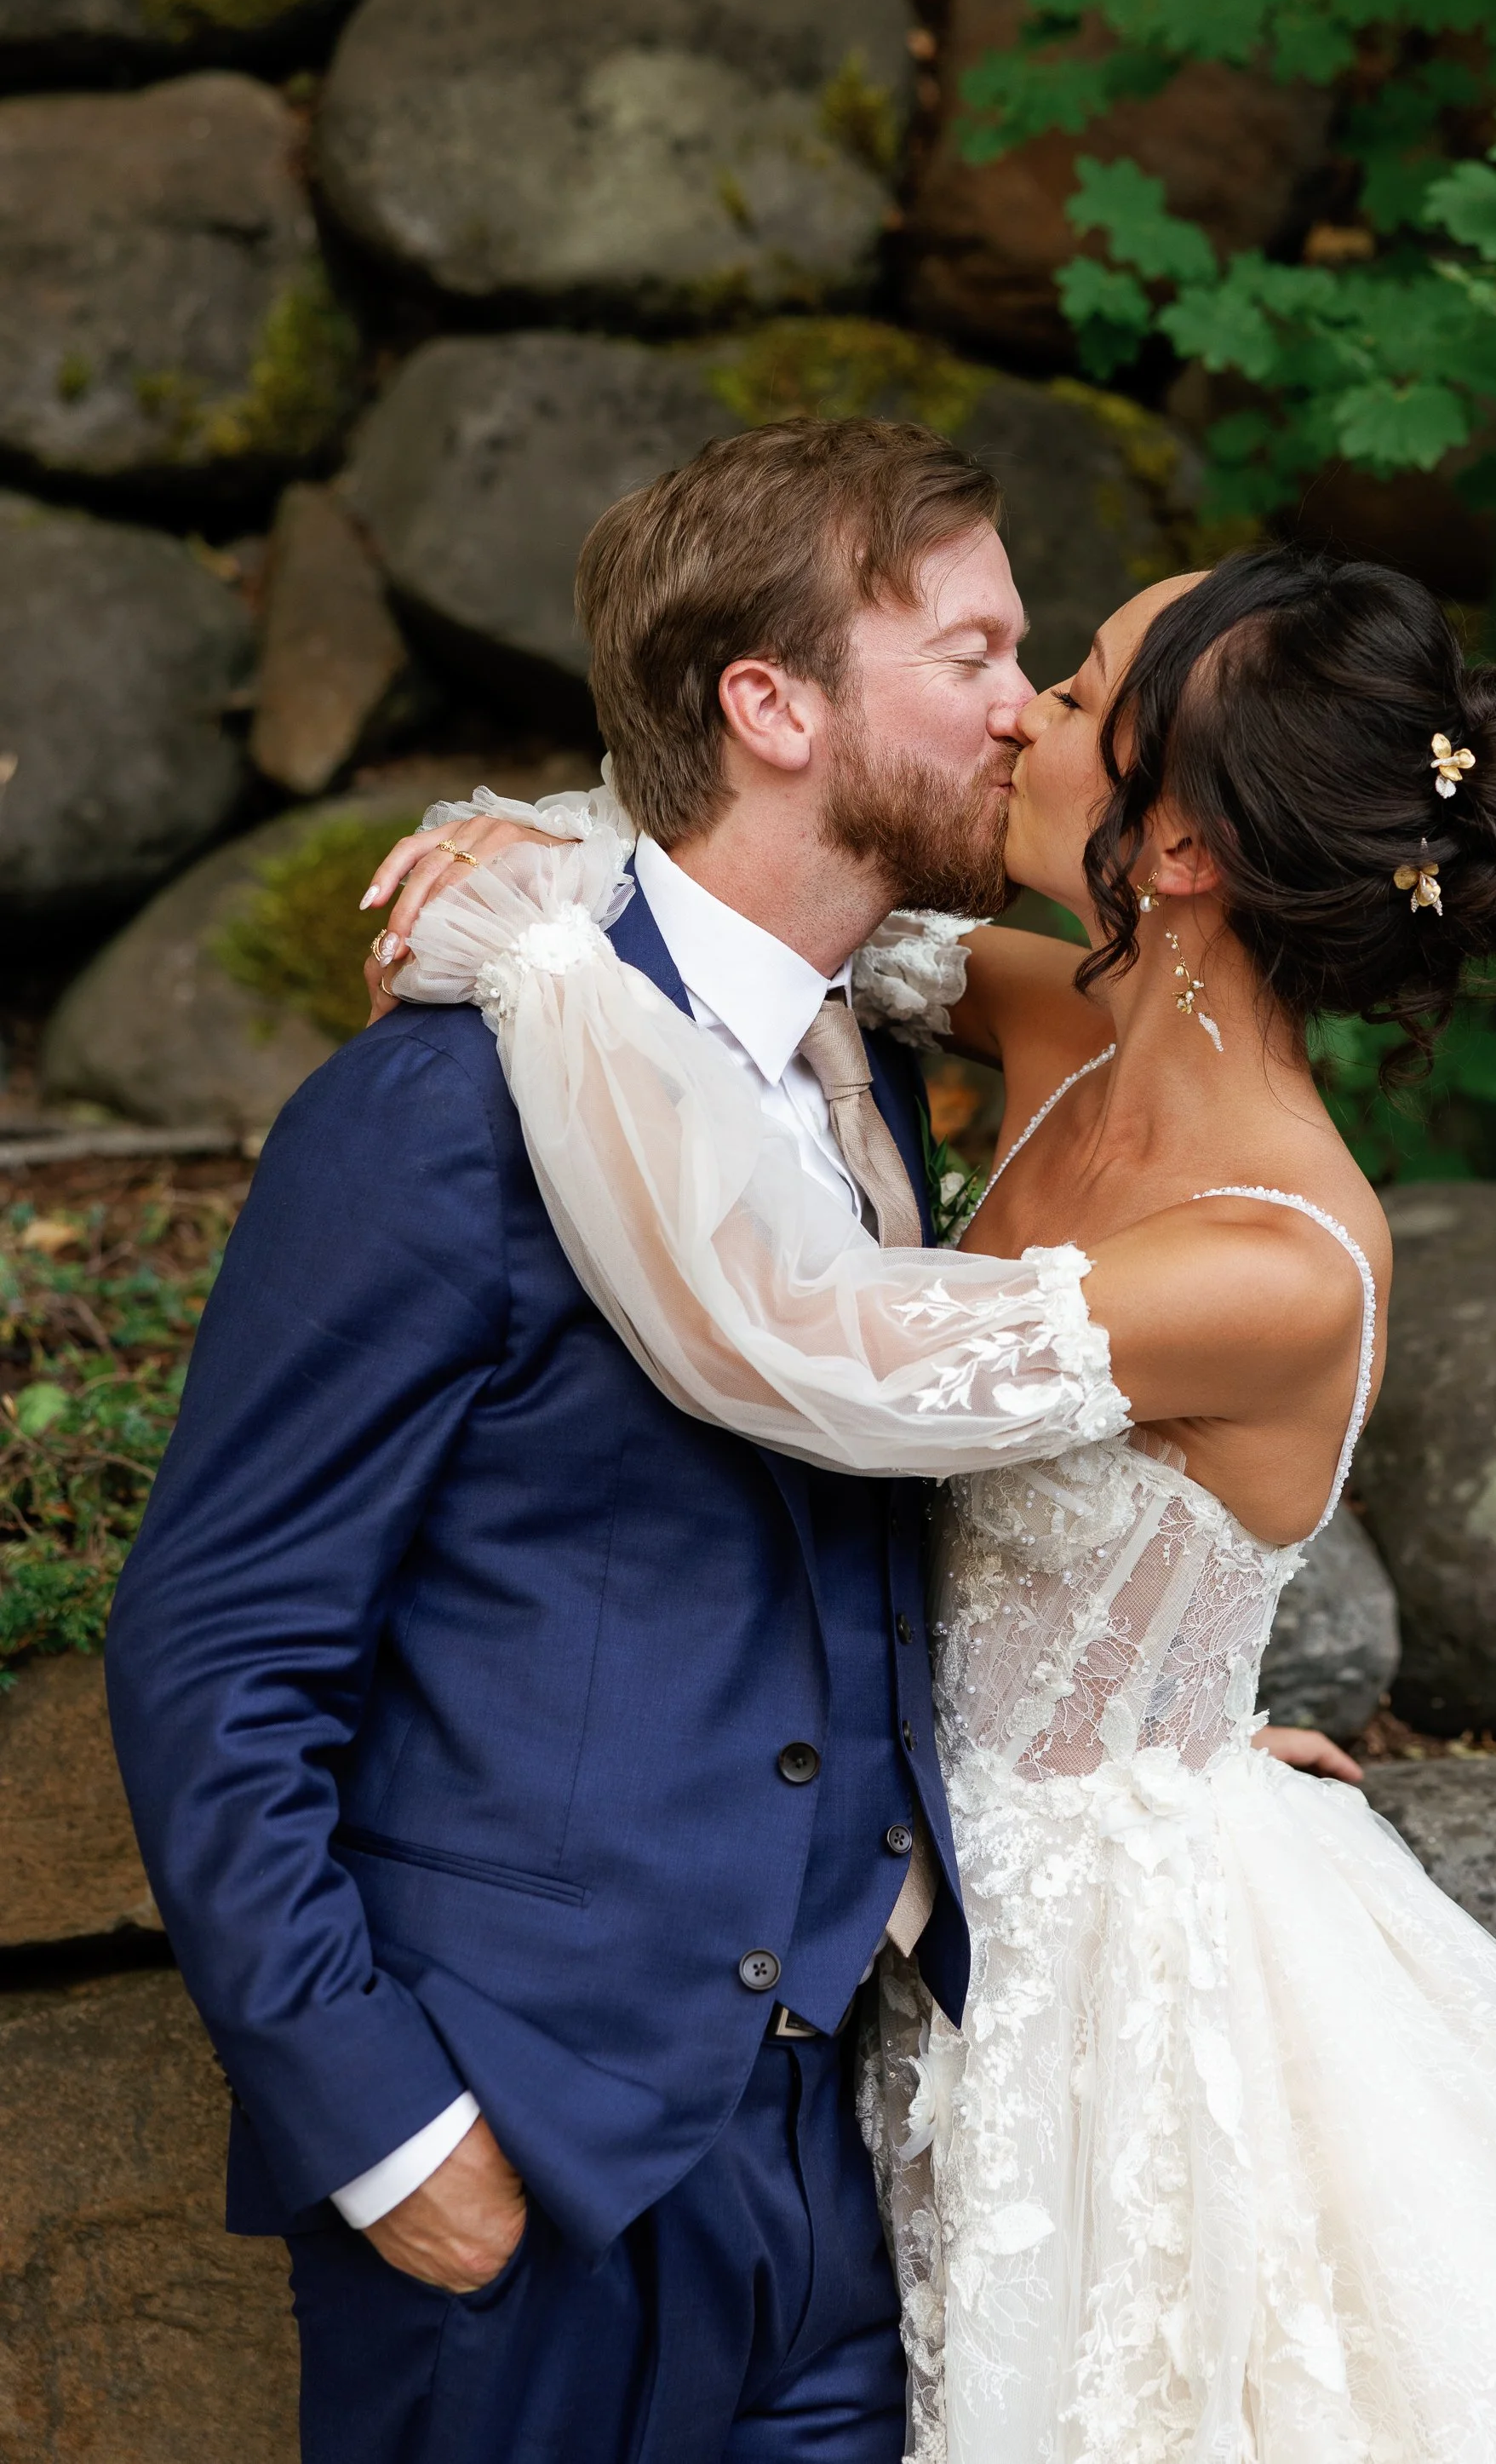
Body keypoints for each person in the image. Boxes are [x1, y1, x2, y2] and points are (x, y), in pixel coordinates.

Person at [370, 543, 1496, 2461]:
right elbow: (770, 905)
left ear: (1174, 852)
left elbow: (802, 1341)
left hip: (1113, 1995)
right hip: (913, 1901)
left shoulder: (1278, 1257)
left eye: (1080, 698)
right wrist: (557, 855)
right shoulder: (1059, 1015)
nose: (1020, 712)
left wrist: (536, 964)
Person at [106, 416, 1088, 2464]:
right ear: (773, 704)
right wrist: (386, 2126)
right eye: (976, 652)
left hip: (831, 2170)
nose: (1026, 708)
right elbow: (214, 1648)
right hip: (522, 2159)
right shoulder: (439, 1109)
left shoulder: (863, 1069)